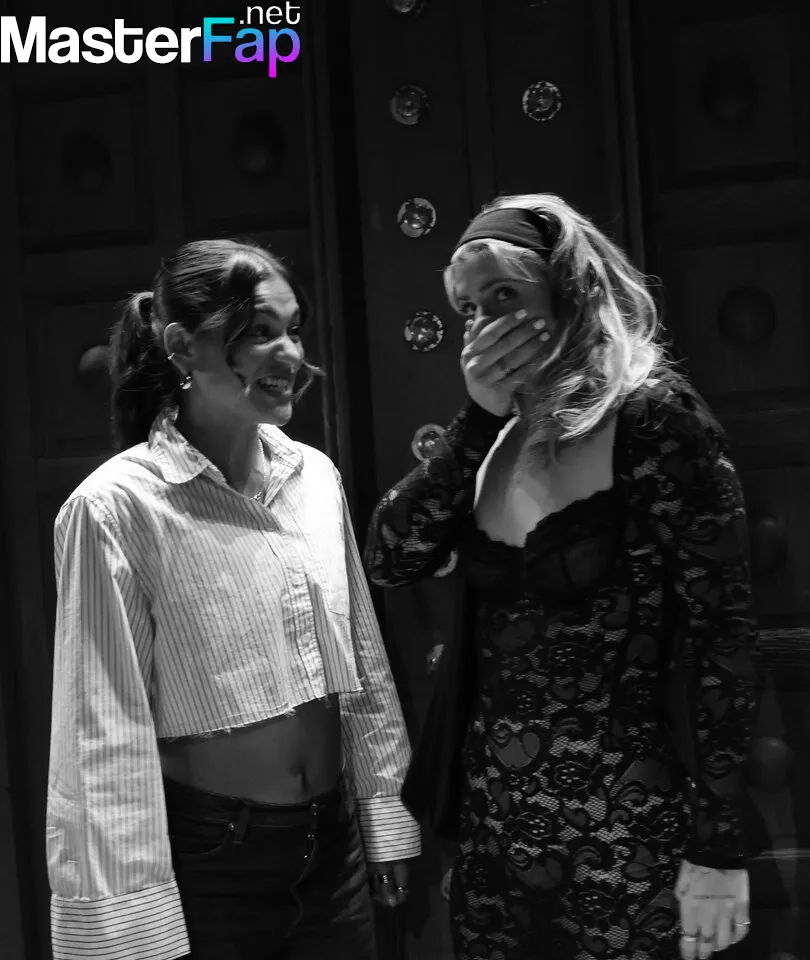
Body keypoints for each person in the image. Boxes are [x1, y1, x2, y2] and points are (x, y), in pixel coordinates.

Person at [364, 195, 758, 960]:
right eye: (469, 309)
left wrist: (719, 844)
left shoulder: (653, 416)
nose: (482, 325)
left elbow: (724, 636)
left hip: (628, 831)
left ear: (569, 292)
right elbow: (390, 556)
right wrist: (477, 420)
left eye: (503, 296)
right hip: (495, 842)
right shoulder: (495, 436)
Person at [47, 238, 420, 960]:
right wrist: (130, 920)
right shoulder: (115, 507)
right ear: (182, 347)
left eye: (294, 329)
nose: (290, 354)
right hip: (215, 859)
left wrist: (384, 811)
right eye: (259, 332)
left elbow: (360, 658)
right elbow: (102, 727)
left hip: (332, 847)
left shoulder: (314, 476)